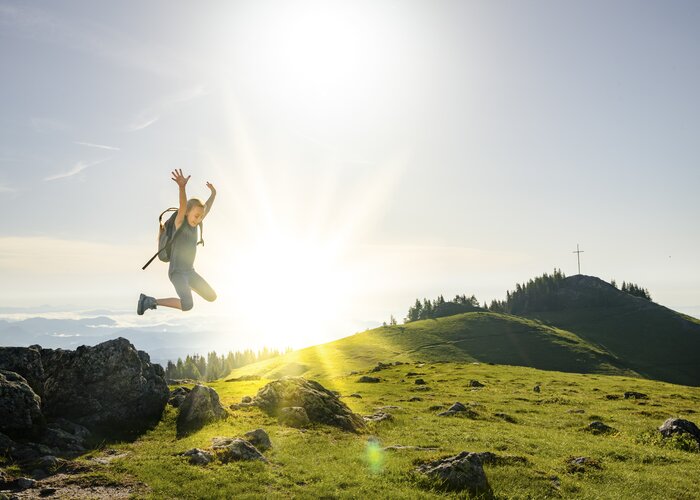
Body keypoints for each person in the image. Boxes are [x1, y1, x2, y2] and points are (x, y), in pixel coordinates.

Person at [137, 169, 217, 314]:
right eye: (196, 216)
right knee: (187, 305)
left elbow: (208, 208)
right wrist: (182, 187)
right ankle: (149, 301)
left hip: (190, 272)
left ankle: (188, 287)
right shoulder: (180, 224)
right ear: (187, 212)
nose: (198, 219)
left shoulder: (196, 223)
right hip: (177, 273)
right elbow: (182, 205)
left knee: (212, 297)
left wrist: (213, 193)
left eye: (201, 217)